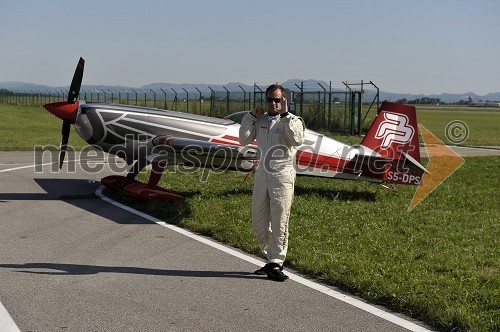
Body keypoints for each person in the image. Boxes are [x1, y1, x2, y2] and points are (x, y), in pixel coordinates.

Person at [239, 84, 305, 281]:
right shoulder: (260, 120)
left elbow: (296, 140)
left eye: (277, 100)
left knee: (279, 221)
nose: (273, 103)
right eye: (270, 100)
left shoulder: (293, 120)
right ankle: (270, 260)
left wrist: (285, 117)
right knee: (259, 223)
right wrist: (250, 117)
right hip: (262, 175)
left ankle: (276, 261)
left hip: (281, 175)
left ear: (284, 100)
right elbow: (244, 139)